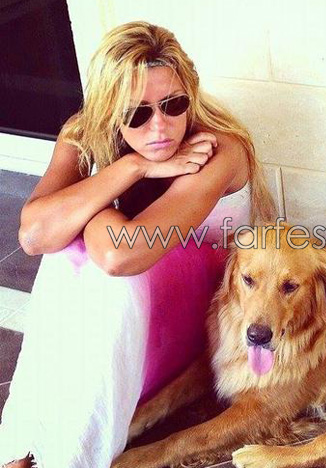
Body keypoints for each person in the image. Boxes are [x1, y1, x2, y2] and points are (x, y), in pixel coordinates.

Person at [0, 21, 276, 468]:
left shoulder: (218, 149)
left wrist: (93, 212)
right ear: (109, 111)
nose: (160, 127)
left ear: (191, 95)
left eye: (173, 104)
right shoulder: (83, 134)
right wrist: (132, 168)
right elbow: (33, 236)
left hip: (200, 319)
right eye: (136, 114)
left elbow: (121, 254)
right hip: (128, 321)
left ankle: (70, 458)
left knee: (95, 258)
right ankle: (23, 449)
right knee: (64, 255)